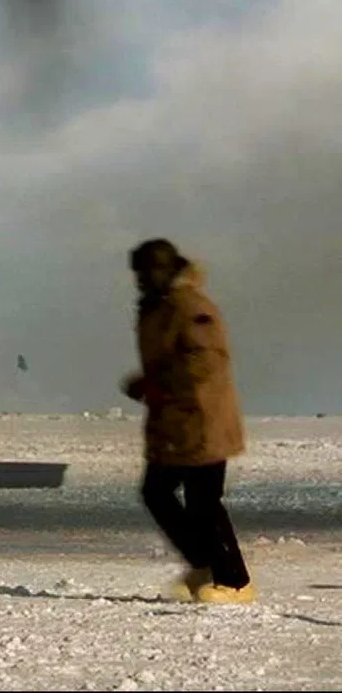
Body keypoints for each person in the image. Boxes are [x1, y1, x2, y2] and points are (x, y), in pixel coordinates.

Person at [120, 238, 254, 604]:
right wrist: (149, 384)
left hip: (202, 420)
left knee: (204, 502)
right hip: (172, 424)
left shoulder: (191, 306)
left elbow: (205, 360)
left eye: (151, 270)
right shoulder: (156, 307)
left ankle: (235, 581)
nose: (143, 279)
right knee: (156, 493)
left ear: (169, 268)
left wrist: (157, 382)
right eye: (140, 272)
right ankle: (205, 564)